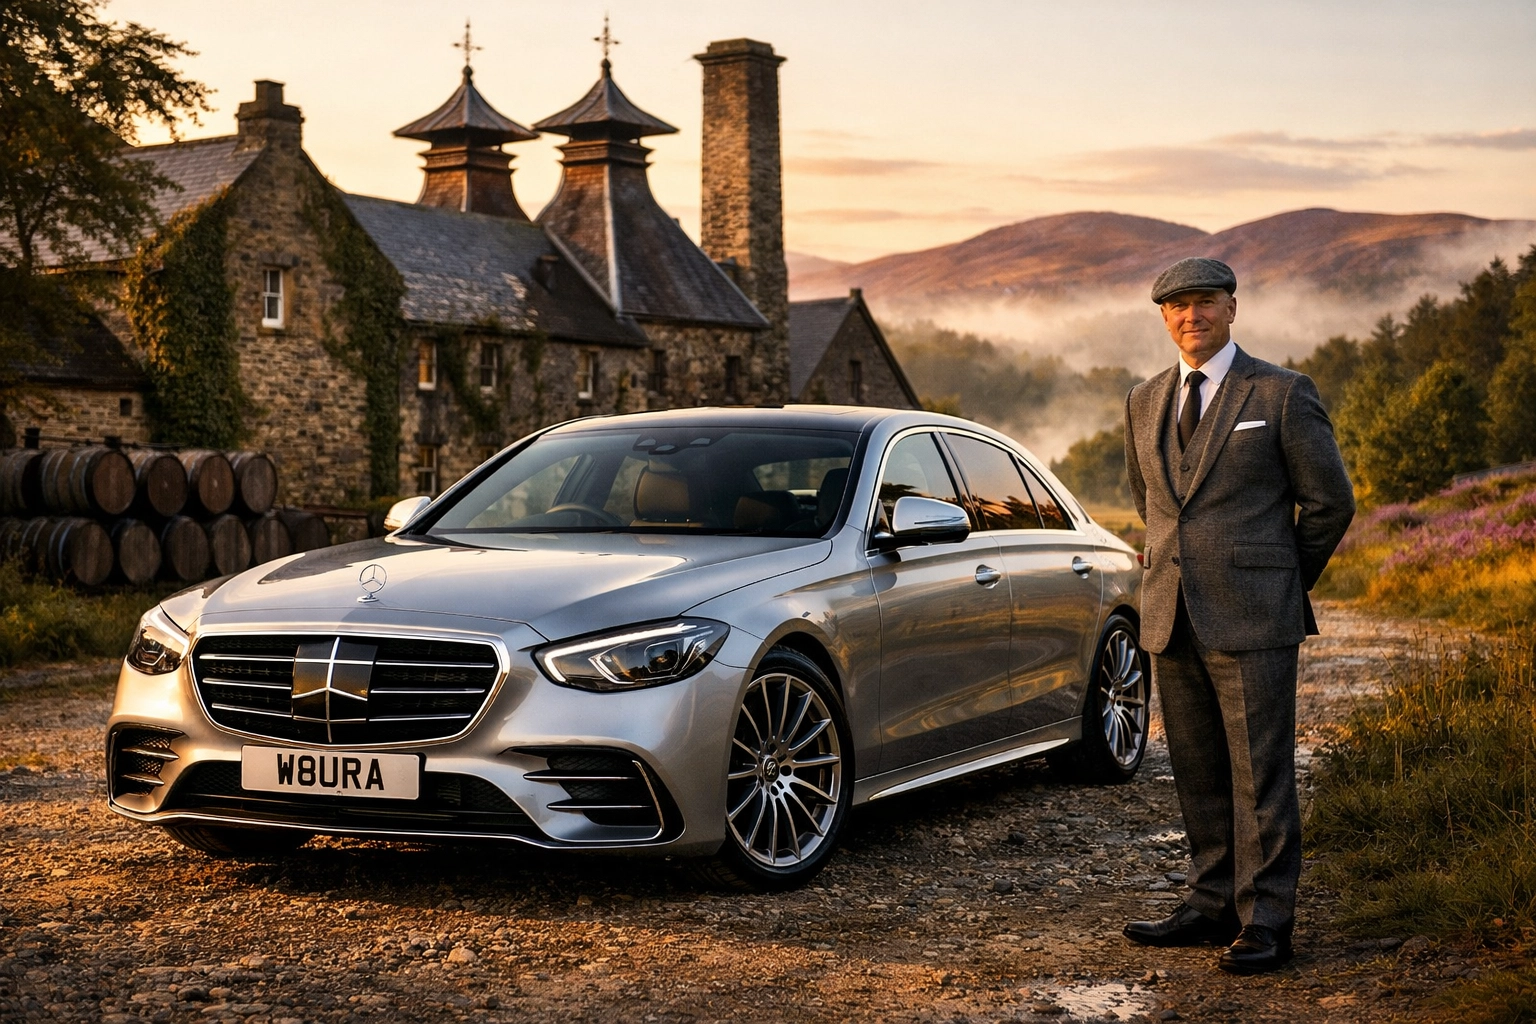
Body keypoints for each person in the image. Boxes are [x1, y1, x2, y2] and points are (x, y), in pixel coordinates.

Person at [1120, 257, 1355, 974]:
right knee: (1196, 769)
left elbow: (1329, 503)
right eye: (1177, 305)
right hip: (1171, 614)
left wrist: (1277, 580)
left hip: (1254, 615)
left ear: (1231, 308)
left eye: (1205, 302)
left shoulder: (1281, 393)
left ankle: (1267, 922)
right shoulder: (1144, 399)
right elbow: (1151, 503)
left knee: (1261, 775)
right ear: (1164, 317)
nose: (1191, 315)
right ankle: (1208, 902)